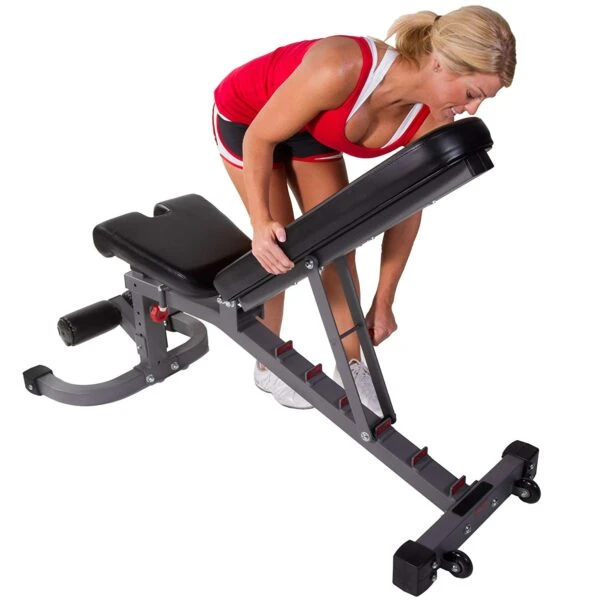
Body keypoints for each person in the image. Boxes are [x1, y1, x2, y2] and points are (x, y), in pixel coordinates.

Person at [212, 6, 515, 413]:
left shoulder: (432, 120)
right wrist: (261, 221)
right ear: (440, 64)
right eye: (472, 94)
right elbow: (260, 138)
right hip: (248, 119)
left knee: (339, 245)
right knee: (278, 245)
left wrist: (383, 300)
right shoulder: (342, 66)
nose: (473, 109)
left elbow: (408, 206)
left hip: (313, 131)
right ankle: (267, 365)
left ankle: (351, 367)